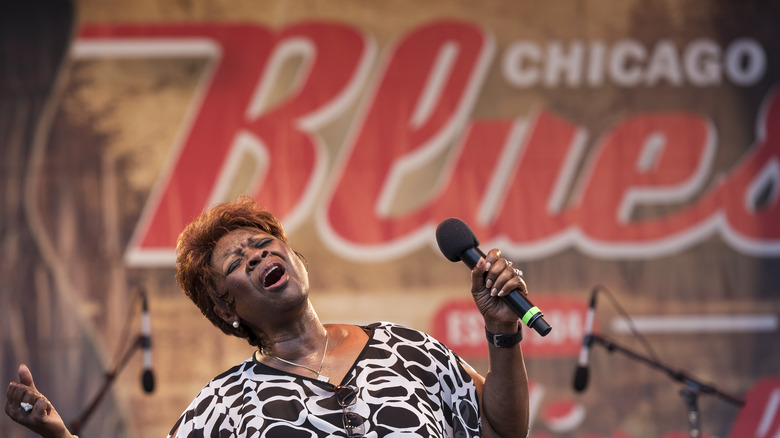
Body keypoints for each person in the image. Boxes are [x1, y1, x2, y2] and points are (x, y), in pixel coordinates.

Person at [6, 195, 530, 437]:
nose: (258, 255)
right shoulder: (222, 407)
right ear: (225, 308)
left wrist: (502, 331)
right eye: (237, 262)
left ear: (295, 260)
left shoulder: (406, 347)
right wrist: (59, 435)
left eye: (263, 244)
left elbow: (503, 430)